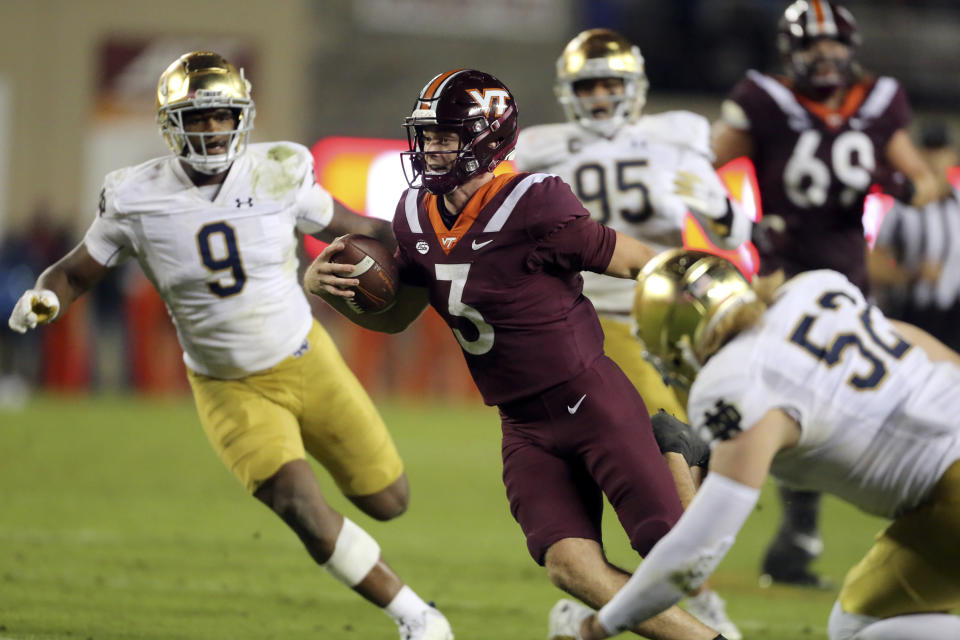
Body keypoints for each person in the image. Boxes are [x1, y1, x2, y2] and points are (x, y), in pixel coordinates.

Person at [6, 51, 453, 640]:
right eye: (199, 117)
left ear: (243, 116)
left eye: (223, 115)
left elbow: (355, 228)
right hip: (227, 385)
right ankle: (418, 617)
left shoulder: (278, 170)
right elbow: (75, 270)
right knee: (300, 505)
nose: (213, 129)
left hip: (307, 358)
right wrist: (46, 297)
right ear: (171, 123)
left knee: (389, 500)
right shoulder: (134, 195)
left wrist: (443, 249)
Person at [305, 69, 728, 640]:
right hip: (522, 423)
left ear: (485, 138)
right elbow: (398, 316)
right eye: (426, 135)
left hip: (592, 401)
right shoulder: (411, 214)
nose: (430, 148)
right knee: (568, 567)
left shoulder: (533, 201)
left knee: (673, 565)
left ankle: (678, 451)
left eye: (446, 135)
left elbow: (628, 259)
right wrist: (323, 286)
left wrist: (709, 295)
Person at [550, 248, 960, 640]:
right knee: (858, 621)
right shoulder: (814, 289)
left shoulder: (735, 382)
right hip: (939, 486)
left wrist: (598, 626)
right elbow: (921, 348)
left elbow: (694, 553)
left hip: (949, 486)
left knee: (859, 629)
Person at [513, 28, 750, 638]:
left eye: (609, 83)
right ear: (569, 91)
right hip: (596, 317)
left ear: (634, 87)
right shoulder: (539, 148)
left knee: (712, 448)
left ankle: (619, 598)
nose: (598, 96)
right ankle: (687, 598)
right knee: (666, 451)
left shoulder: (676, 136)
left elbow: (730, 233)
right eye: (588, 84)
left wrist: (720, 208)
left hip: (674, 322)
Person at [710, 0, 938, 587]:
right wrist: (737, 222)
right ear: (790, 53)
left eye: (834, 43)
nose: (825, 55)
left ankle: (810, 530)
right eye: (812, 46)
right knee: (777, 400)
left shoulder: (881, 102)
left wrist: (891, 182)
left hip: (847, 288)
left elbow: (925, 184)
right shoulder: (764, 99)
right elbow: (702, 164)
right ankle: (775, 526)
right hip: (780, 282)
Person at [869, 120, 960, 352]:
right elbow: (873, 263)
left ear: (952, 155)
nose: (935, 159)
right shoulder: (901, 209)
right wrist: (909, 275)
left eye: (940, 152)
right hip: (913, 314)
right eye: (929, 151)